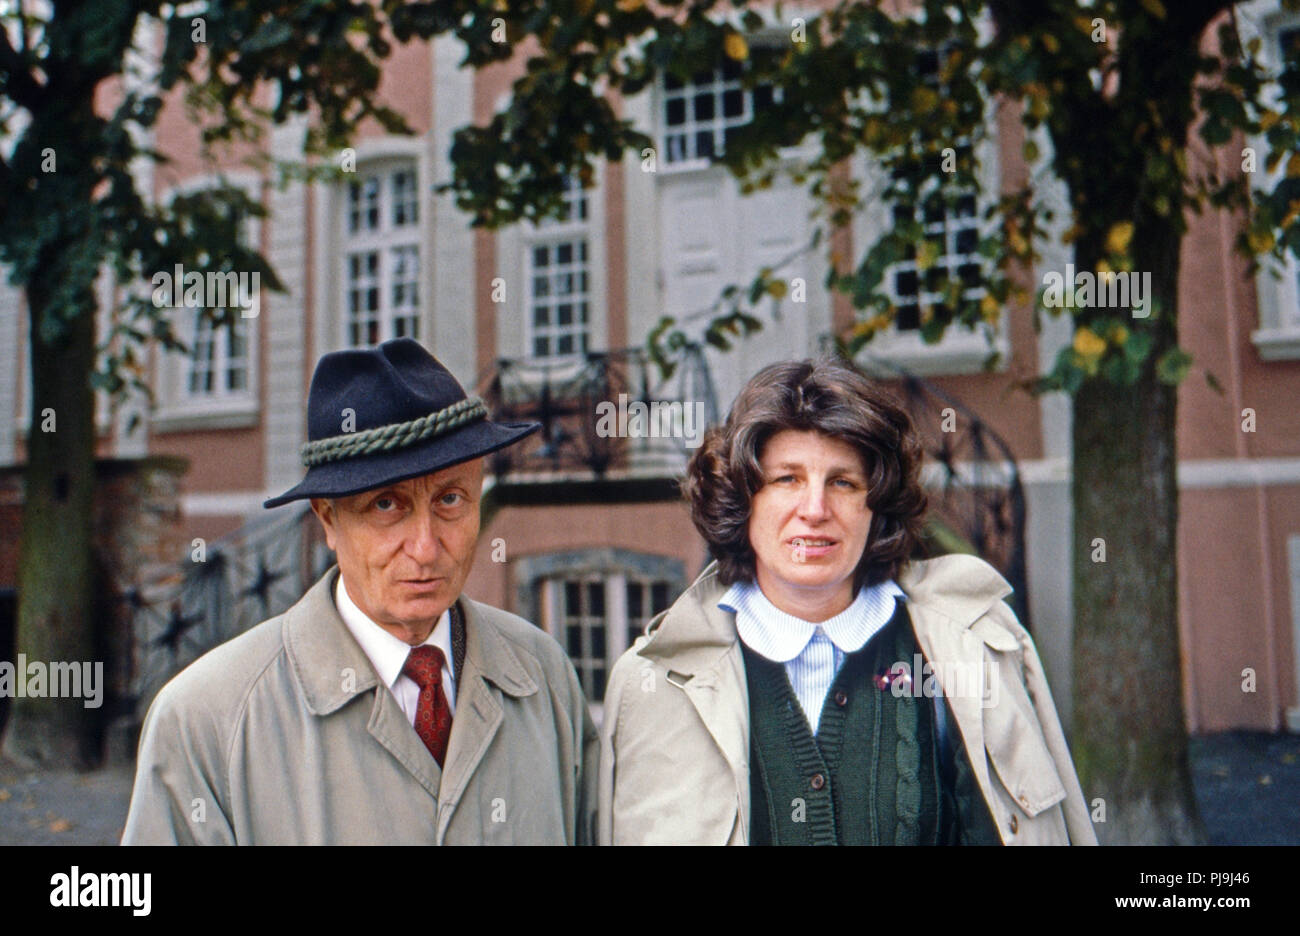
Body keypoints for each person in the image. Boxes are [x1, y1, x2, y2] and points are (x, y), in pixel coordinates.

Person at [598, 356, 1096, 845]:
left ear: (875, 506)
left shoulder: (978, 645)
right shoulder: (652, 684)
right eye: (786, 479)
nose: (814, 510)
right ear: (742, 500)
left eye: (843, 482)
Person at [123, 338, 598, 844]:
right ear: (327, 519)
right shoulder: (205, 720)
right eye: (386, 505)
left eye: (451, 498)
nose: (425, 546)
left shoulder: (544, 675)